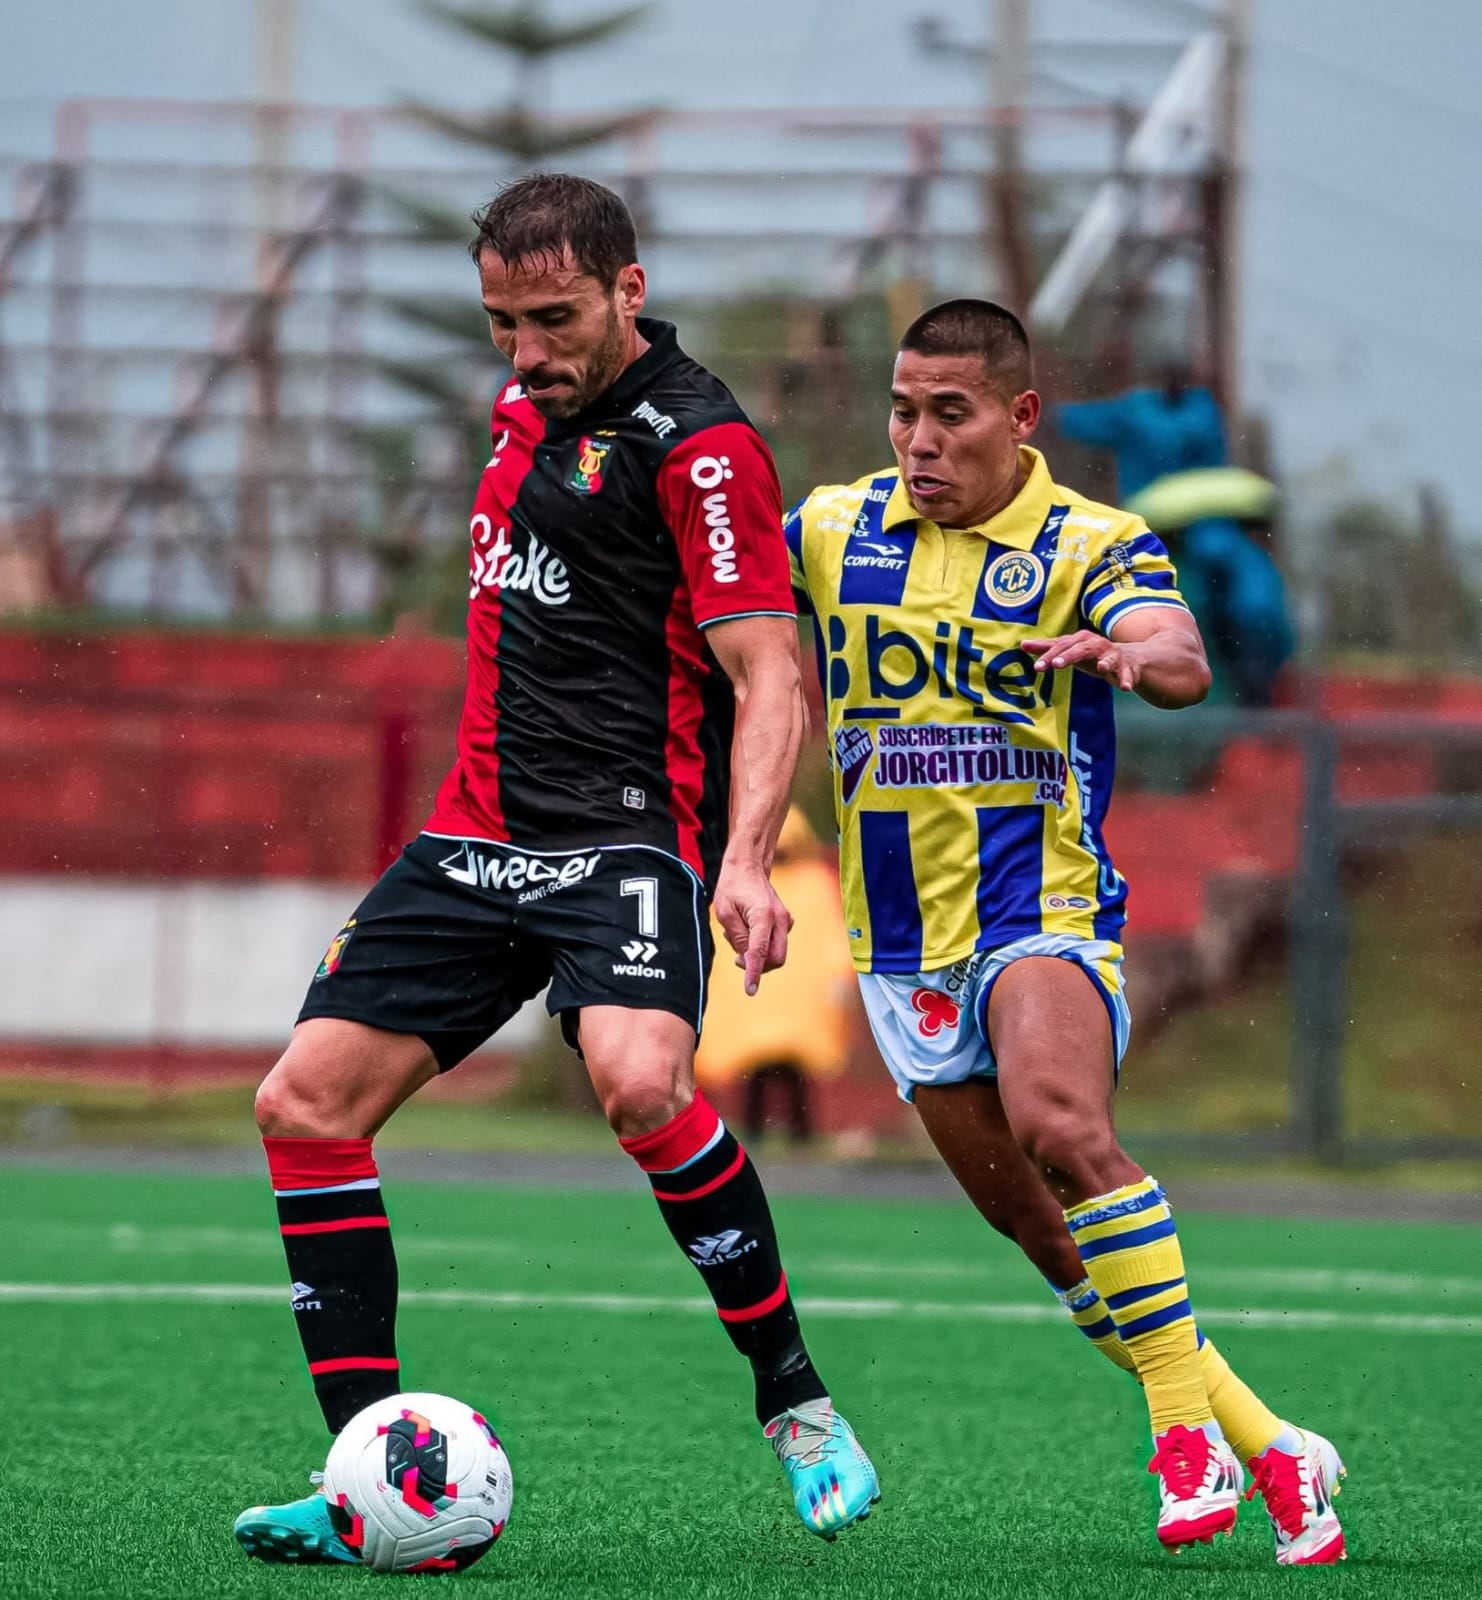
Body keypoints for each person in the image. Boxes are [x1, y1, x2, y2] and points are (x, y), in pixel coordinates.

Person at [232, 174, 878, 1566]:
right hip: (474, 834)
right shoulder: (522, 403)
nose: (525, 349)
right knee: (302, 1106)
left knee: (641, 1082)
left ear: (627, 292)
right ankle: (360, 1479)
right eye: (499, 321)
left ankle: (798, 1405)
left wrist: (750, 861)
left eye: (553, 317)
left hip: (627, 832)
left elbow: (774, 671)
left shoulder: (701, 449)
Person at [785, 300, 1345, 1564]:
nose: (919, 440)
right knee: (1045, 1235)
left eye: (951, 413)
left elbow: (1183, 649)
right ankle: (1270, 1443)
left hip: (1041, 907)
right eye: (902, 411)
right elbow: (716, 597)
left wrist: (1131, 653)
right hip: (899, 950)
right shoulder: (830, 528)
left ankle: (1177, 1433)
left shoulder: (1092, 540)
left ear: (1021, 416)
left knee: (1064, 1127)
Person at [695, 805, 858, 1144]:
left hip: (797, 1000)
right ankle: (760, 1130)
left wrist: (839, 976)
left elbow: (830, 935)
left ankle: (798, 1132)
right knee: (760, 1068)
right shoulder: (740, 885)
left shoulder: (813, 883)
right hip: (758, 996)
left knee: (793, 1069)